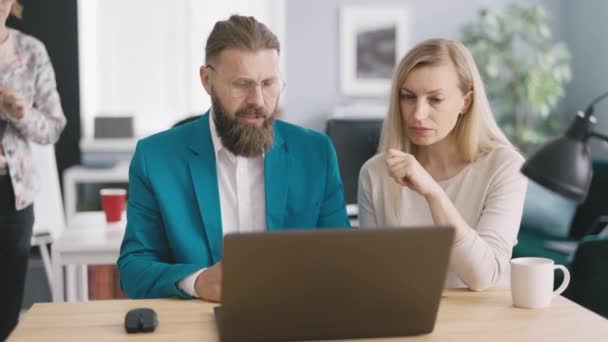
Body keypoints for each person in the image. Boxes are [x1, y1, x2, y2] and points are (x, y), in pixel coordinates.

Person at [117, 15, 350, 302]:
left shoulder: (316, 153)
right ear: (207, 80)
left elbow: (342, 260)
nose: (259, 101)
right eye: (242, 84)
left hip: (295, 319)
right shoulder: (155, 158)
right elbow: (133, 268)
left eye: (268, 83)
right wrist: (198, 282)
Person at [358, 38, 527, 291]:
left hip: (485, 324)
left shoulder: (506, 167)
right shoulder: (375, 173)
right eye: (408, 97)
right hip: (403, 318)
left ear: (466, 102)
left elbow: (483, 276)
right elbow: (372, 276)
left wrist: (433, 193)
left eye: (435, 100)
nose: (417, 114)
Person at [0, 0, 66, 339]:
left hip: (13, 195)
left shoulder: (32, 52)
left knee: (7, 308)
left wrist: (20, 113)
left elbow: (54, 127)